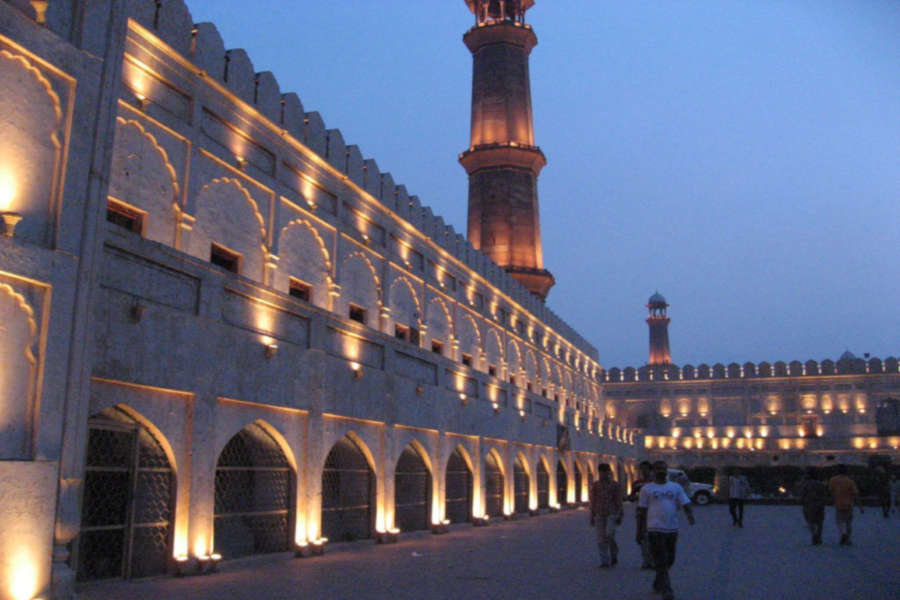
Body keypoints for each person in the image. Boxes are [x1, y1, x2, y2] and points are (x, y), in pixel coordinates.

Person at [637, 460, 695, 600]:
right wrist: (639, 530)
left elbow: (685, 502)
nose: (661, 471)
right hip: (654, 529)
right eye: (658, 469)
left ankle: (658, 581)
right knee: (661, 559)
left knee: (670, 559)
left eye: (663, 468)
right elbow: (642, 511)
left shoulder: (675, 487)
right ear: (653, 471)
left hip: (671, 528)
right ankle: (667, 590)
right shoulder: (647, 489)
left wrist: (690, 515)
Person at [590, 463, 624, 568]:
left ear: (609, 472)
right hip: (599, 513)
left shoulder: (615, 485)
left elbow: (618, 500)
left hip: (612, 513)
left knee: (610, 534)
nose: (604, 474)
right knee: (601, 538)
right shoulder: (596, 485)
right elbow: (593, 500)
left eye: (606, 471)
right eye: (602, 472)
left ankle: (614, 552)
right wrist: (592, 515)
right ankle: (604, 561)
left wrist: (620, 514)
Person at [827, 464, 860, 546]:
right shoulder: (850, 481)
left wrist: (832, 499)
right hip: (849, 504)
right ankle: (848, 539)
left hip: (838, 503)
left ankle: (843, 533)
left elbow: (830, 491)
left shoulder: (833, 480)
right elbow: (855, 493)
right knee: (848, 522)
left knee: (839, 521)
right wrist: (860, 506)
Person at [632, 460, 655, 569]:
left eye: (646, 469)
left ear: (650, 470)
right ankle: (646, 560)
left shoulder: (655, 483)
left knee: (653, 535)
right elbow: (632, 496)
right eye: (642, 469)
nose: (644, 471)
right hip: (641, 511)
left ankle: (653, 560)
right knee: (642, 535)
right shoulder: (637, 483)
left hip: (655, 512)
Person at [798, 467, 828, 545]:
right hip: (820, 504)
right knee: (820, 522)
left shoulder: (805, 484)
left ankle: (814, 533)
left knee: (810, 521)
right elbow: (825, 495)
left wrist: (801, 501)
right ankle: (819, 536)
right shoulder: (821, 485)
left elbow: (802, 494)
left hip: (809, 504)